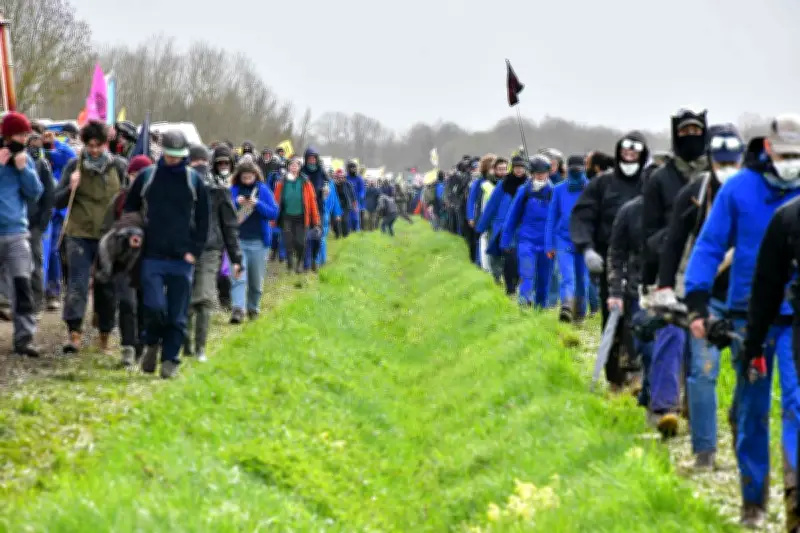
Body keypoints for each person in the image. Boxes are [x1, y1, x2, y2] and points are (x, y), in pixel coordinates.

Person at [684, 114, 800, 529]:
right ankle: (753, 501)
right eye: (786, 155)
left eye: (799, 156)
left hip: (795, 320)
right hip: (747, 320)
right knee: (751, 413)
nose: (793, 162)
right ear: (768, 150)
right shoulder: (738, 190)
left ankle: (795, 503)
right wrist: (697, 303)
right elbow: (711, 245)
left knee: (796, 405)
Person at [653, 123, 742, 468]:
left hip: (748, 298)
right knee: (703, 372)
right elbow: (675, 240)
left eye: (732, 161)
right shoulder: (696, 191)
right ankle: (705, 451)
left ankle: (743, 436)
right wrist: (665, 286)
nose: (726, 168)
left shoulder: (758, 193)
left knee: (750, 372)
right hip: (707, 296)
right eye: (720, 162)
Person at [641, 108, 710, 437]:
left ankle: (696, 407)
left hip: (711, 265)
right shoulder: (660, 178)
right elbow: (649, 228)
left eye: (697, 130)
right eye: (685, 132)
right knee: (670, 333)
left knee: (703, 337)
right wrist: (668, 244)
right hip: (671, 266)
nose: (691, 137)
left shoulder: (716, 174)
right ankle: (665, 406)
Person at [123, 130, 210, 379]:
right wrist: (132, 232)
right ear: (162, 153)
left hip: (183, 259)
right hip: (152, 255)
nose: (173, 160)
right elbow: (129, 208)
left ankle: (170, 359)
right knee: (153, 306)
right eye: (169, 156)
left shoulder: (194, 181)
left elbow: (205, 219)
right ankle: (151, 342)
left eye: (178, 156)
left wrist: (195, 251)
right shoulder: (147, 177)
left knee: (177, 314)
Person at [570, 131, 649, 391]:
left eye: (635, 151)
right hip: (608, 261)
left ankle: (638, 373)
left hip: (645, 262)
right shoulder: (602, 184)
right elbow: (582, 216)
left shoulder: (651, 183)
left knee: (641, 319)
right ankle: (615, 377)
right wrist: (587, 249)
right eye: (625, 151)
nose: (629, 156)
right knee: (613, 316)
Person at [54, 120, 127, 355]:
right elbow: (57, 201)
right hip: (79, 233)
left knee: (106, 286)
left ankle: (104, 336)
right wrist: (69, 188)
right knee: (77, 283)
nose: (94, 150)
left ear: (106, 144)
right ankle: (74, 334)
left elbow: (130, 200)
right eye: (90, 145)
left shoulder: (119, 167)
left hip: (109, 235)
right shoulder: (74, 167)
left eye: (98, 145)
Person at [185, 145, 242, 360]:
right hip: (194, 247)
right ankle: (191, 346)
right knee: (193, 297)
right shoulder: (184, 185)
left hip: (207, 248)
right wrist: (236, 258)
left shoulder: (217, 188)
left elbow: (229, 224)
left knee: (202, 296)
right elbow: (230, 226)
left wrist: (236, 258)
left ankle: (197, 347)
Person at [99, 154, 152, 366]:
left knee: (144, 305)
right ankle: (128, 347)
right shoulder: (119, 200)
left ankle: (142, 344)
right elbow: (106, 228)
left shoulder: (158, 200)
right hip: (123, 263)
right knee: (127, 303)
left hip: (148, 261)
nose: (137, 178)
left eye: (143, 175)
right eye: (134, 174)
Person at [0, 112, 44, 356]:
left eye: (26, 135)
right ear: (7, 136)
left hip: (17, 233)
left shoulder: (25, 160)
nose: (23, 140)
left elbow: (35, 192)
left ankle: (24, 338)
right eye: (19, 135)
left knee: (22, 286)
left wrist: (24, 170)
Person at [501, 155, 553, 307]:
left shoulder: (554, 192)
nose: (540, 176)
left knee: (544, 278)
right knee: (527, 273)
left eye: (543, 173)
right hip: (526, 240)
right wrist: (505, 240)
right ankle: (524, 302)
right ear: (531, 173)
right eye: (537, 173)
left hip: (547, 243)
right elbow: (512, 217)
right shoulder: (524, 191)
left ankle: (540, 309)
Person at [228, 160, 277, 321]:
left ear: (256, 176)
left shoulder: (263, 190)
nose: (247, 180)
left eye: (250, 177)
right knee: (238, 277)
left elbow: (274, 213)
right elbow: (224, 211)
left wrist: (258, 204)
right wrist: (237, 203)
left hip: (259, 243)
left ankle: (253, 308)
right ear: (239, 177)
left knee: (256, 282)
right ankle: (237, 309)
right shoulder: (233, 190)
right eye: (244, 177)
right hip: (238, 241)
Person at [477, 155, 529, 297]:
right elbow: (491, 206)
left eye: (521, 167)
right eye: (516, 167)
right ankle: (510, 288)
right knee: (509, 258)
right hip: (505, 227)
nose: (519, 170)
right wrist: (480, 228)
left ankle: (518, 283)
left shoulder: (529, 184)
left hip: (523, 228)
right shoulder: (504, 184)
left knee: (520, 258)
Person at [546, 155, 589, 322]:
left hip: (585, 240)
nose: (576, 172)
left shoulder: (591, 188)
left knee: (582, 278)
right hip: (563, 239)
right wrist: (549, 244)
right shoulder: (558, 190)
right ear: (567, 169)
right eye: (573, 168)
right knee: (567, 275)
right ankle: (566, 307)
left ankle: (580, 311)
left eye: (579, 168)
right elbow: (551, 217)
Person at [272, 157, 321, 274]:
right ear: (288, 167)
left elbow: (312, 202)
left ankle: (299, 262)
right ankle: (290, 264)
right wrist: (273, 218)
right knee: (288, 242)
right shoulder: (281, 182)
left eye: (296, 165)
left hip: (301, 218)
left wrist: (316, 220)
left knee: (300, 242)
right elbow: (276, 200)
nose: (294, 167)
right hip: (286, 216)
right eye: (292, 165)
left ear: (299, 168)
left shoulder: (306, 182)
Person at [467, 154, 497, 269]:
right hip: (481, 215)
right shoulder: (479, 182)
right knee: (483, 240)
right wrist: (471, 216)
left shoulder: (499, 180)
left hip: (496, 217)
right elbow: (471, 200)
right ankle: (484, 266)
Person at [318, 180, 342, 266]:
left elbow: (334, 199)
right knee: (321, 236)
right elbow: (335, 199)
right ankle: (321, 259)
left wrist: (337, 213)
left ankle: (319, 260)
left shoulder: (328, 184)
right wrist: (337, 213)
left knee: (321, 236)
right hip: (322, 212)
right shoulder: (330, 183)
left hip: (324, 213)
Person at [332, 169, 357, 239]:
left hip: (346, 204)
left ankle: (345, 234)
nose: (340, 178)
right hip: (336, 205)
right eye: (338, 177)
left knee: (344, 220)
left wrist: (355, 205)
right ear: (335, 177)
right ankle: (337, 234)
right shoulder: (333, 185)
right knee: (335, 220)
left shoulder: (348, 184)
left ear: (344, 177)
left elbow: (353, 195)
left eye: (341, 177)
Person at [345, 160, 365, 232]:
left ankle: (357, 231)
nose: (353, 169)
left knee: (356, 218)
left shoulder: (359, 178)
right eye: (351, 168)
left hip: (356, 201)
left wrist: (360, 197)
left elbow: (362, 190)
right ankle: (348, 231)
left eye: (354, 168)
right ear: (348, 169)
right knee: (348, 217)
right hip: (347, 200)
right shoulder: (346, 178)